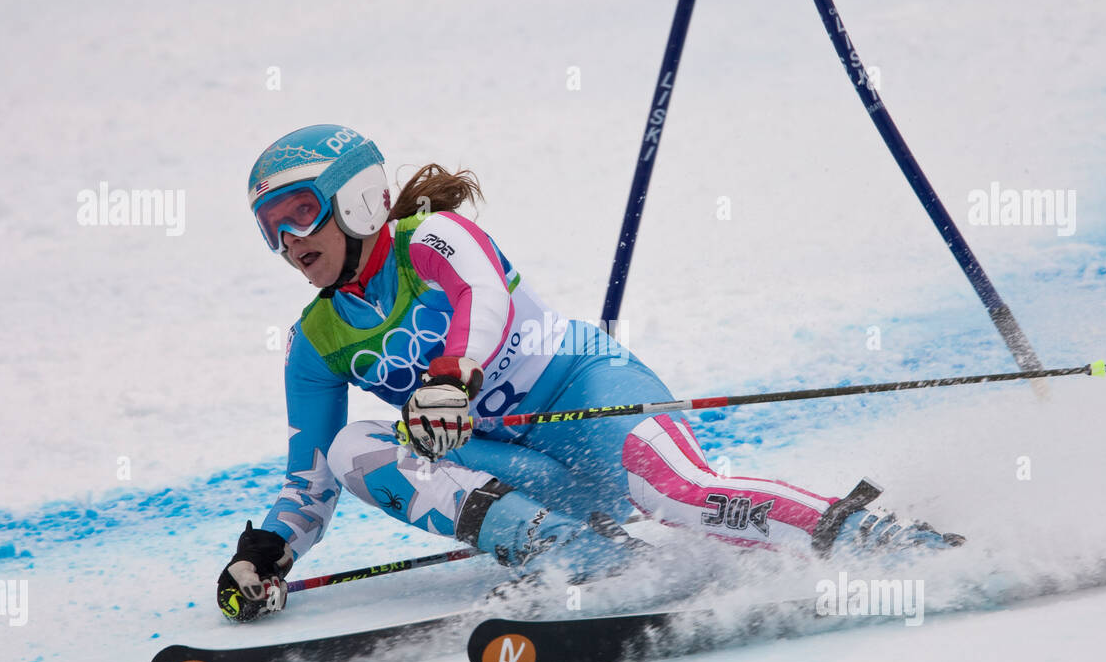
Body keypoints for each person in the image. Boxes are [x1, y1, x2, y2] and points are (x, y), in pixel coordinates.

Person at [217, 124, 960, 621]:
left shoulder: (433, 239)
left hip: (588, 401)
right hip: (523, 469)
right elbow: (310, 475)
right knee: (357, 446)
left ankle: (879, 541)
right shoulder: (315, 340)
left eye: (299, 212)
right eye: (268, 228)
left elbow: (483, 305)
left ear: (357, 199)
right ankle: (579, 555)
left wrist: (450, 379)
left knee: (685, 495)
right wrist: (266, 553)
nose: (288, 240)